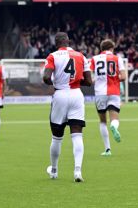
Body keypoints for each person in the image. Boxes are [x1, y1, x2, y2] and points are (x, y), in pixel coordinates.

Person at [42, 32, 92, 182]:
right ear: (68, 41)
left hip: (60, 95)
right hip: (77, 94)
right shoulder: (81, 56)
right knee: (77, 135)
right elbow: (89, 81)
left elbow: (46, 77)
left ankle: (54, 171)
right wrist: (75, 82)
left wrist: (56, 83)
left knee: (57, 137)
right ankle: (77, 171)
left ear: (56, 43)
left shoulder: (52, 56)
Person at [90, 39, 127, 156]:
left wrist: (96, 80)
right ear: (112, 48)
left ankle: (107, 149)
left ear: (101, 48)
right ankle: (114, 126)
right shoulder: (117, 58)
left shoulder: (94, 59)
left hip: (100, 93)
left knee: (102, 121)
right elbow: (124, 76)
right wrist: (115, 78)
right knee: (114, 118)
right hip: (114, 91)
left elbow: (89, 77)